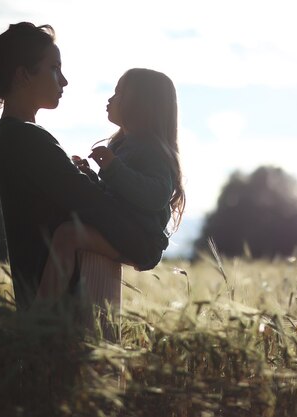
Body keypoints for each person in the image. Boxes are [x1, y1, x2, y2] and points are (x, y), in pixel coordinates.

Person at [0, 22, 169, 311]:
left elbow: (80, 198)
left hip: (52, 300)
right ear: (23, 75)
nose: (63, 80)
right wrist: (146, 242)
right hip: (59, 308)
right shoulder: (25, 138)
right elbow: (93, 204)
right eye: (54, 68)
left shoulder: (13, 136)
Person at [35, 68, 185, 301]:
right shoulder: (121, 145)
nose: (110, 99)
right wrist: (91, 177)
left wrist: (114, 169)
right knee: (66, 231)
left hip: (141, 239)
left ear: (141, 104)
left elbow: (156, 195)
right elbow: (116, 196)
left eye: (118, 93)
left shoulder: (153, 150)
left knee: (68, 234)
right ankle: (52, 315)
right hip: (125, 229)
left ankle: (39, 316)